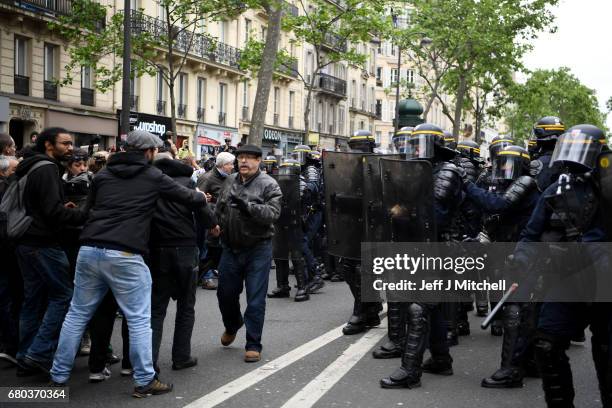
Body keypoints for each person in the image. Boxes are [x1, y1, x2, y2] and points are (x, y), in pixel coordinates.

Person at [49, 129, 207, 398]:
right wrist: (203, 197)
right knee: (138, 319)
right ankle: (145, 380)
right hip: (125, 253)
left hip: (89, 249)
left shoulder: (103, 175)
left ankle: (58, 375)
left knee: (76, 315)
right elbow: (188, 197)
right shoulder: (153, 175)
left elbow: (87, 214)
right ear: (148, 152)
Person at [512, 124, 610, 406]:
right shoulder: (558, 189)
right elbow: (531, 234)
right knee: (546, 343)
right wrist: (520, 260)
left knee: (606, 352)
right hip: (568, 279)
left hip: (605, 282)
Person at [12, 127, 88, 376]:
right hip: (42, 242)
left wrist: (58, 206)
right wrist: (80, 214)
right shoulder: (46, 168)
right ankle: (39, 353)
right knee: (63, 296)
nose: (70, 148)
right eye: (65, 143)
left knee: (33, 299)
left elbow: (43, 205)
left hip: (25, 240)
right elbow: (52, 213)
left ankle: (25, 355)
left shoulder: (29, 165)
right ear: (48, 145)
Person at [213, 144, 282, 363]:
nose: (244, 161)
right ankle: (232, 325)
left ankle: (253, 344)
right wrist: (214, 225)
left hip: (257, 249)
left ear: (259, 161)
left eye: (250, 158)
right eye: (241, 157)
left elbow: (273, 213)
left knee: (255, 300)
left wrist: (249, 207)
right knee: (225, 294)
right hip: (230, 248)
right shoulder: (230, 180)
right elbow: (220, 208)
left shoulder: (269, 184)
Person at [150, 152, 214, 371]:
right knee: (186, 305)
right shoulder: (188, 183)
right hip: (185, 246)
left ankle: (150, 363)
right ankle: (181, 356)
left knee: (156, 308)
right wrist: (213, 225)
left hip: (158, 247)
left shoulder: (150, 183)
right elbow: (205, 214)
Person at [197, 151, 236, 290]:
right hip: (209, 221)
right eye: (231, 164)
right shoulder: (207, 178)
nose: (233, 166)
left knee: (218, 249)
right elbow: (199, 201)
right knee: (206, 249)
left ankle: (214, 271)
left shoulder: (230, 178)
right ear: (223, 165)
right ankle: (204, 277)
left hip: (223, 220)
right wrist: (210, 221)